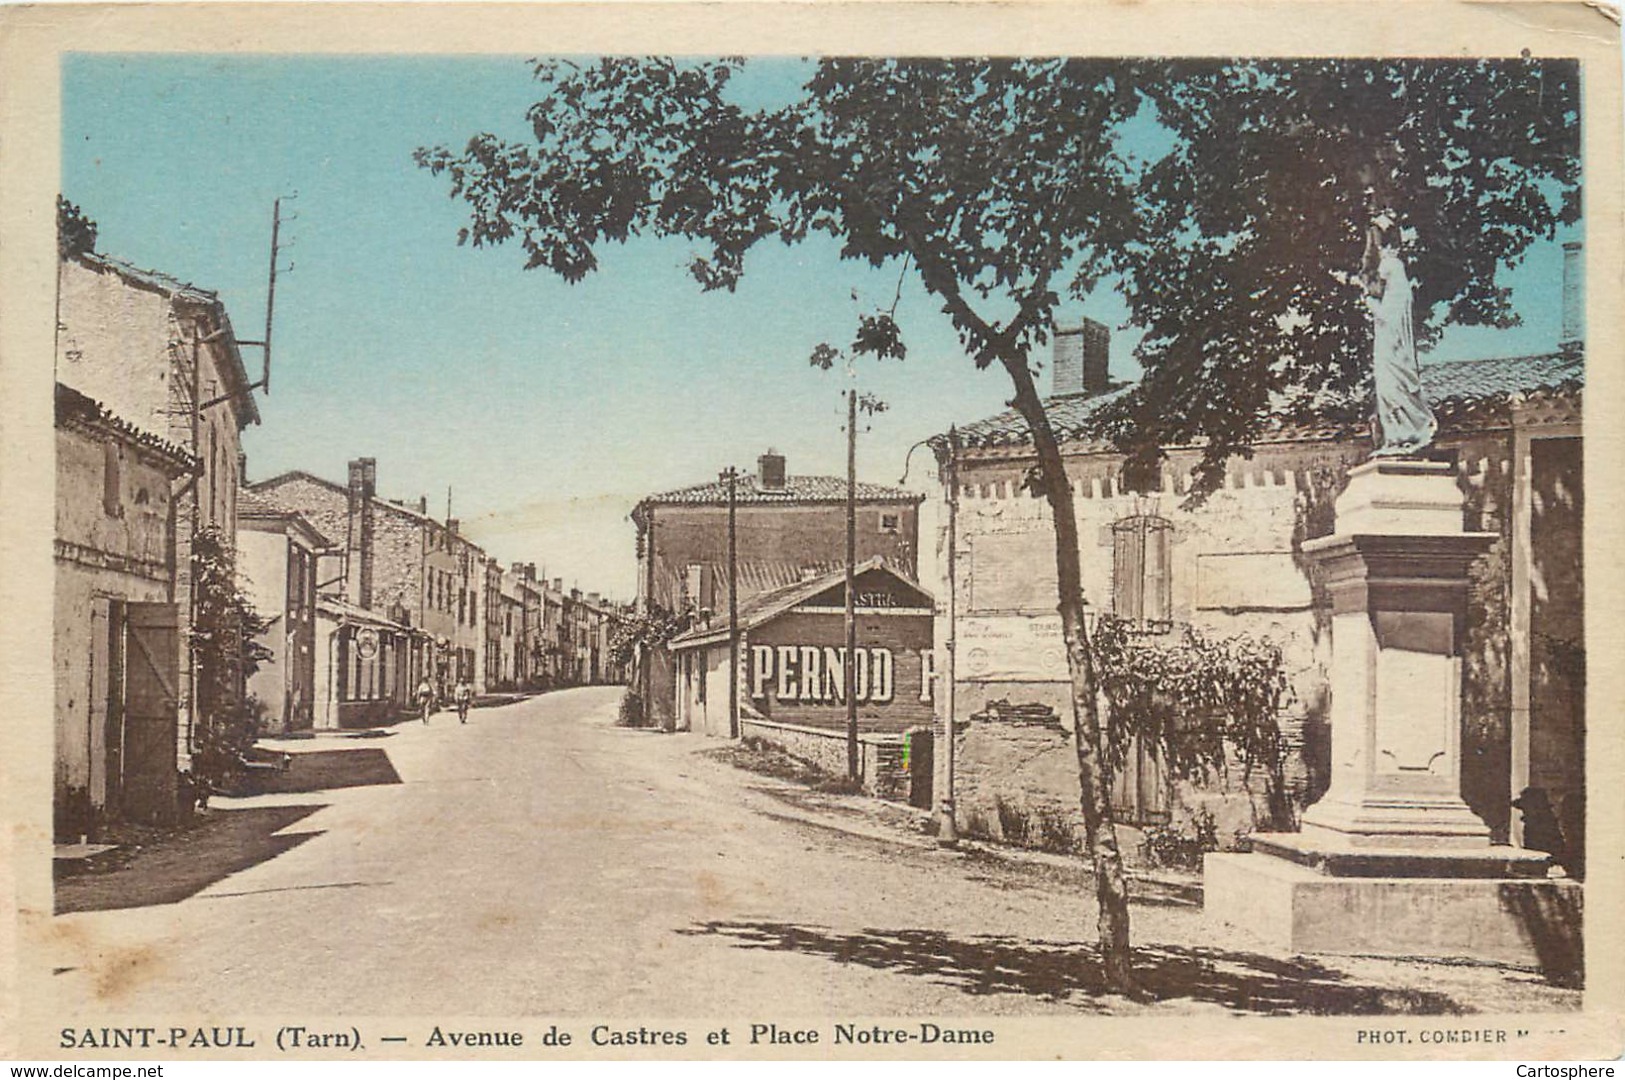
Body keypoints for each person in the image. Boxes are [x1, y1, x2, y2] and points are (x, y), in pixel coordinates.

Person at [1362, 212, 1437, 457]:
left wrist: (1368, 302)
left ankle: (1405, 435)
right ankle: (1396, 437)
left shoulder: (1391, 266)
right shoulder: (1394, 268)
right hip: (1388, 341)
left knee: (1391, 388)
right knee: (1387, 388)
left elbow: (1387, 312)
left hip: (1392, 342)